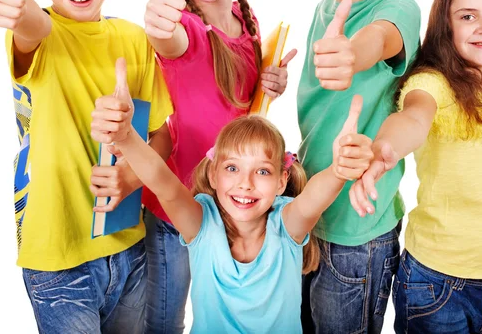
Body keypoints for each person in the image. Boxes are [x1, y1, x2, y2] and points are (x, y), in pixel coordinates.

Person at [0, 0, 172, 333]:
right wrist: (13, 1)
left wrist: (133, 176)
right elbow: (29, 23)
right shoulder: (41, 36)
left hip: (128, 246)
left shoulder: (135, 39)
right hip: (58, 259)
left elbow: (161, 135)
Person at [92, 58, 371, 333]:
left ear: (281, 182)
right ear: (213, 175)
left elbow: (313, 199)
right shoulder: (201, 224)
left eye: (262, 172)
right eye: (232, 168)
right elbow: (164, 185)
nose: (245, 184)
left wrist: (338, 171)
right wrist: (127, 137)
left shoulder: (287, 225)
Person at [351, 0, 482, 333]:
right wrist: (384, 149)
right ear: (446, 27)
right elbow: (414, 118)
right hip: (437, 287)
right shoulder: (431, 83)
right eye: (468, 16)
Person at [140, 0, 295, 332]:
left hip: (229, 210)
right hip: (178, 214)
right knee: (164, 322)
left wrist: (271, 83)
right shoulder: (185, 27)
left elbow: (239, 109)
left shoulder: (247, 21)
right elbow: (166, 40)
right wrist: (159, 19)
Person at [297, 0, 421, 333]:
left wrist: (352, 53)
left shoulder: (399, 7)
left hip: (357, 232)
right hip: (308, 212)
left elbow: (381, 39)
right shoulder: (322, 11)